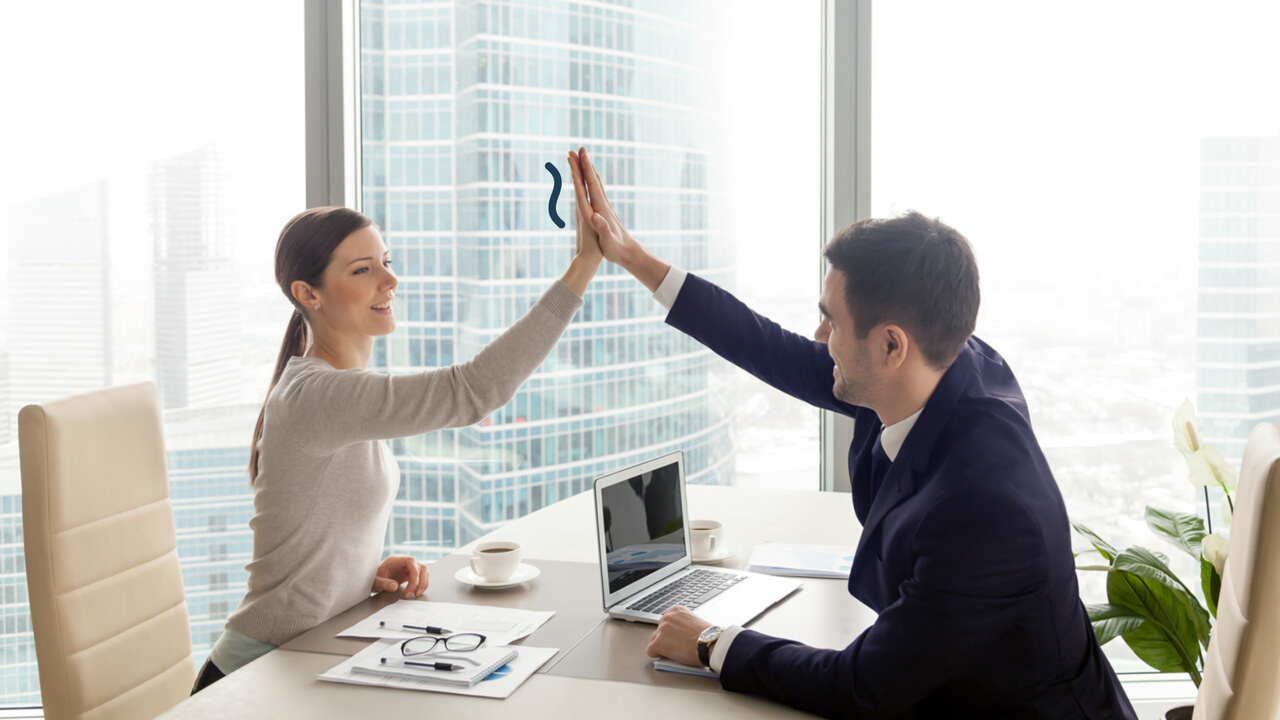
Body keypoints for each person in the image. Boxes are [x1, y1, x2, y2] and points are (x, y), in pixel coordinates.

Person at [567, 148, 1138, 718]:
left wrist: (712, 641)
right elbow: (770, 348)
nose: (819, 337)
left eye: (831, 320)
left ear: (891, 345)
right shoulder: (940, 368)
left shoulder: (986, 509)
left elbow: (862, 687)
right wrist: (634, 258)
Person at [192, 153, 603, 692]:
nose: (390, 278)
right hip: (253, 675)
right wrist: (584, 264)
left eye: (385, 260)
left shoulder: (336, 392)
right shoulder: (318, 396)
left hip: (305, 655)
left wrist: (362, 576)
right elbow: (473, 391)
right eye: (362, 270)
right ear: (307, 294)